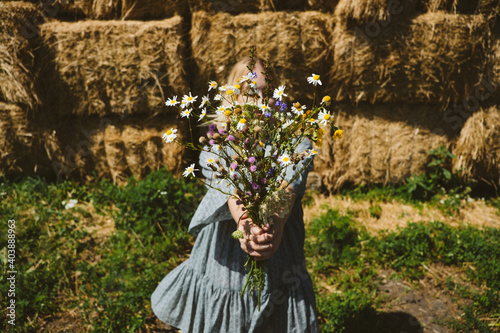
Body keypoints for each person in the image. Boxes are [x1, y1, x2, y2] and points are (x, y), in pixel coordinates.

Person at [151, 57, 319, 332]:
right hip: (224, 265)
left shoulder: (295, 141)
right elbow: (227, 186)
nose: (261, 100)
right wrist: (246, 223)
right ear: (233, 95)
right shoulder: (219, 142)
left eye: (268, 92)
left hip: (281, 260)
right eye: (252, 92)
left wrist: (273, 224)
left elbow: (291, 183)